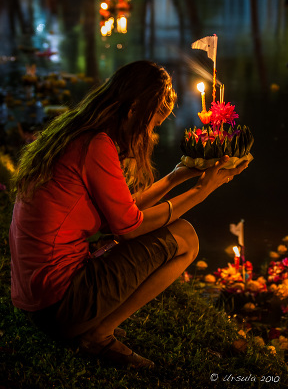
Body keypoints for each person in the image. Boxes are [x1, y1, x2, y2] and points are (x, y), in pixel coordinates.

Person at [9, 60, 249, 369]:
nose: (151, 132)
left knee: (163, 231)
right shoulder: (96, 145)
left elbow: (121, 213)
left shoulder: (77, 132)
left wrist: (176, 176)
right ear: (135, 107)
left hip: (37, 302)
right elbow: (128, 227)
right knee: (186, 236)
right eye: (152, 122)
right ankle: (98, 334)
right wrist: (204, 189)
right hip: (60, 306)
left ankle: (93, 324)